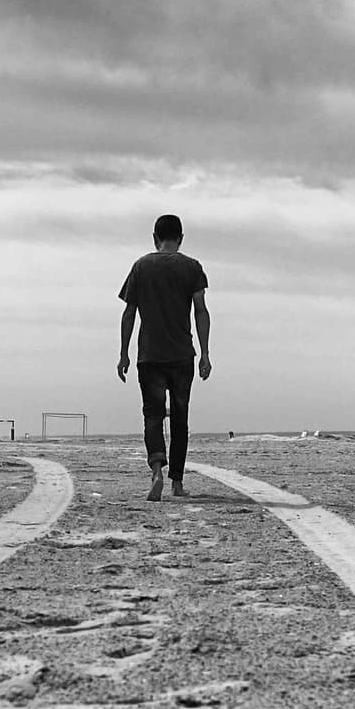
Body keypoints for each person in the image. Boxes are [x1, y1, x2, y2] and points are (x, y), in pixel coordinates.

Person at [118, 213, 211, 501]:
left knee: (153, 415)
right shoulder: (192, 267)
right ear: (180, 238)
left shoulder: (141, 266)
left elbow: (129, 313)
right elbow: (201, 311)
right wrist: (205, 353)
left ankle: (157, 471)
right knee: (180, 419)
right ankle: (177, 483)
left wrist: (123, 353)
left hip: (150, 355)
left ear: (154, 238)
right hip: (182, 355)